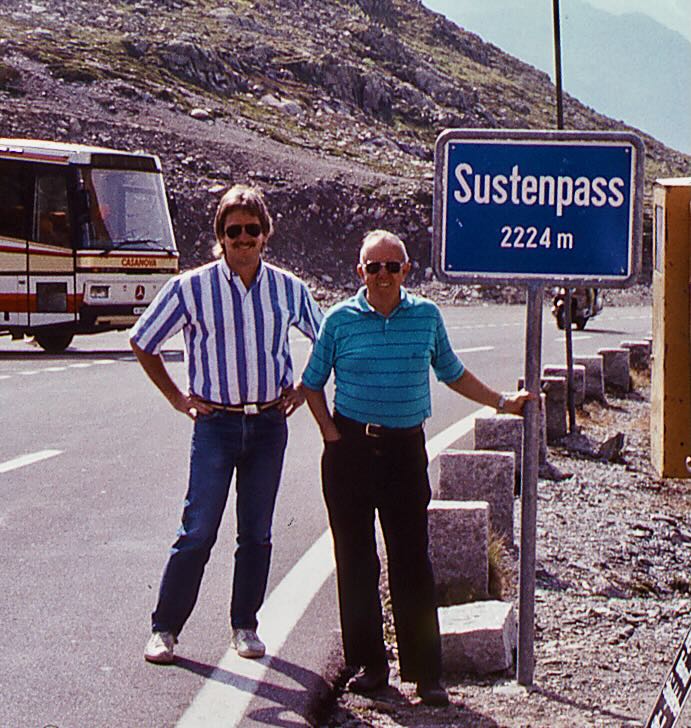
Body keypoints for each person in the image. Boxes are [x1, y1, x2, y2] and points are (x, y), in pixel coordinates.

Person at [300, 230, 532, 707]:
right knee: (356, 560)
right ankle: (370, 667)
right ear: (360, 272)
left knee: (411, 560)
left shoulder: (426, 316)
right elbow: (311, 382)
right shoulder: (339, 320)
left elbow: (452, 372)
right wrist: (330, 435)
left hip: (404, 452)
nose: (383, 275)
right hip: (349, 451)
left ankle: (426, 674)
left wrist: (501, 402)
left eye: (393, 266)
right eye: (374, 267)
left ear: (406, 270)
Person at [130, 184, 323, 665]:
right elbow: (143, 340)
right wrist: (177, 398)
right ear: (220, 235)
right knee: (197, 531)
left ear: (265, 233)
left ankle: (245, 627)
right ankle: (164, 630)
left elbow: (327, 338)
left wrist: (303, 388)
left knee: (256, 533)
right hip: (215, 427)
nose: (243, 238)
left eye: (251, 229)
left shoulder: (288, 288)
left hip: (268, 426)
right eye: (233, 230)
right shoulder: (191, 288)